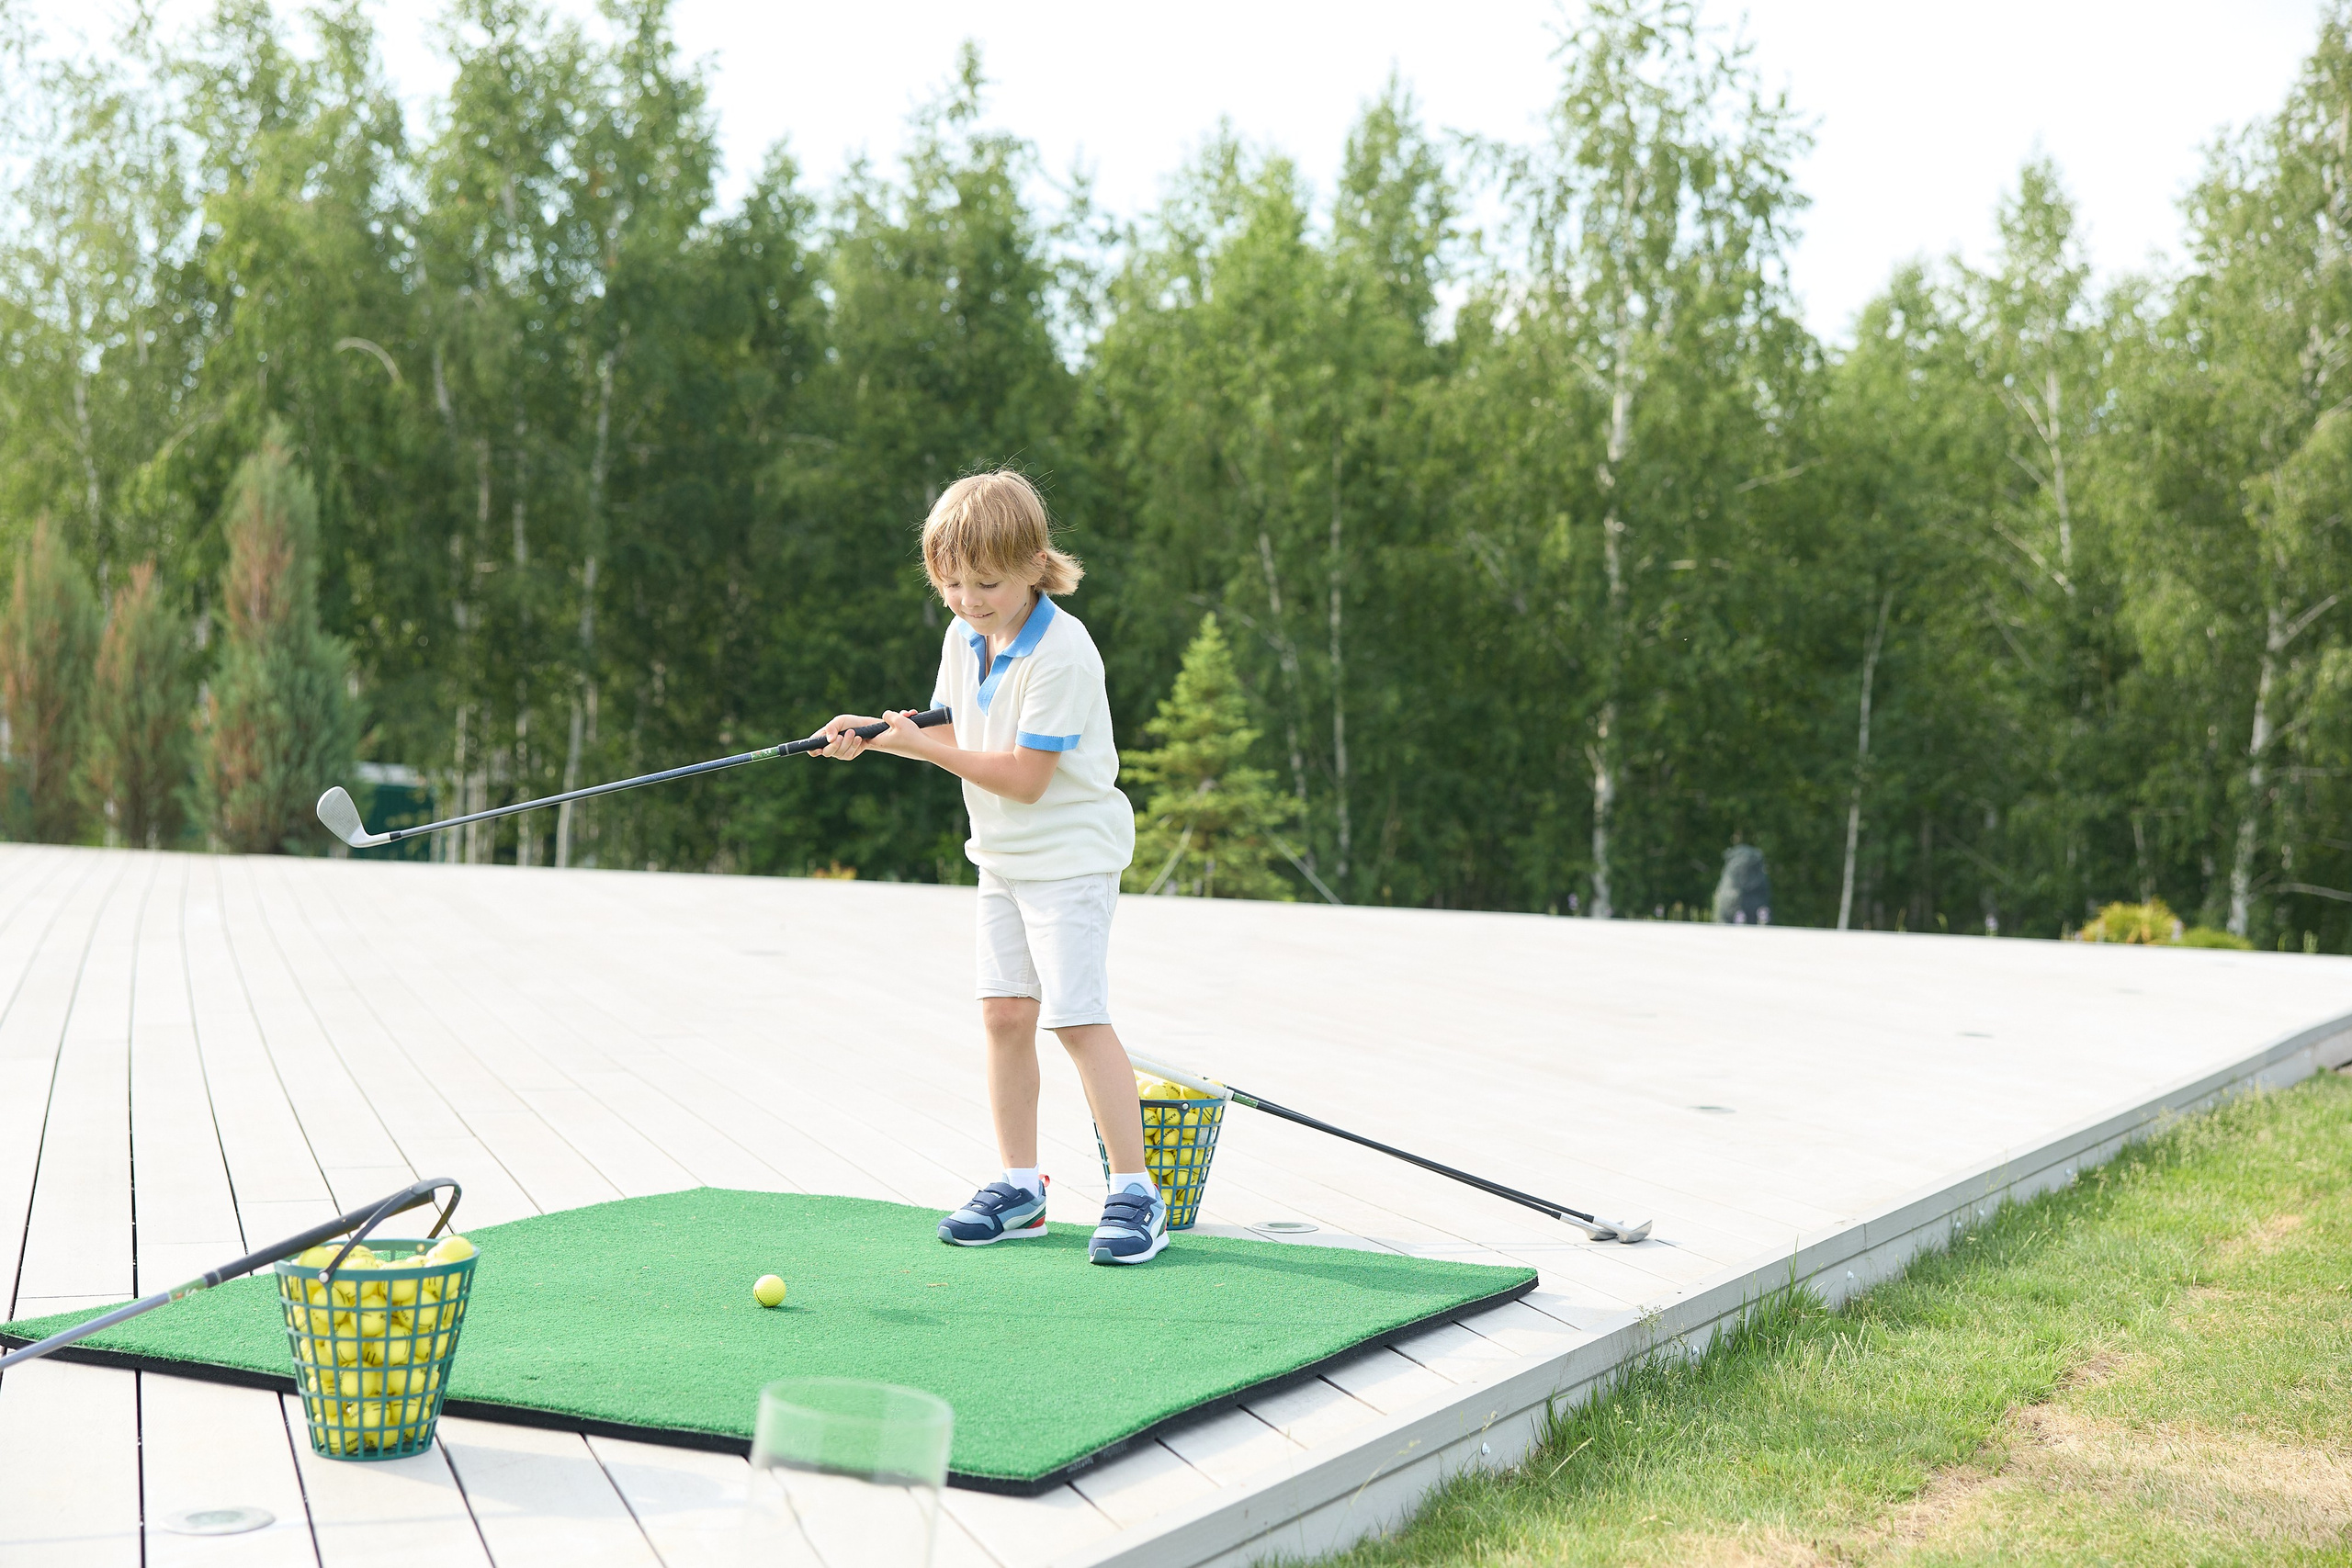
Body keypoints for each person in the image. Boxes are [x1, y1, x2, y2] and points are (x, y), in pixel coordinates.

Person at [812, 471, 1165, 1265]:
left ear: (1036, 564)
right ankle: (1020, 1188)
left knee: (1075, 1018)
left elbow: (1023, 777)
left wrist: (921, 748)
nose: (968, 599)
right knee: (1005, 1014)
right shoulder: (966, 632)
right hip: (1002, 857)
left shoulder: (1065, 653)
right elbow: (947, 717)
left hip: (1070, 857)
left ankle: (1137, 1193)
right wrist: (877, 730)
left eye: (986, 583)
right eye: (950, 583)